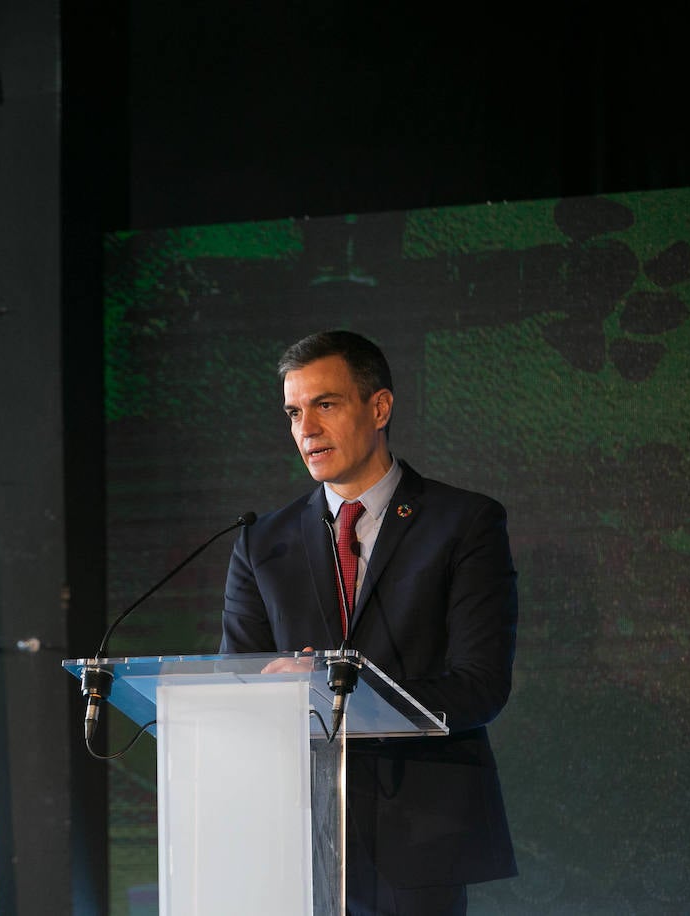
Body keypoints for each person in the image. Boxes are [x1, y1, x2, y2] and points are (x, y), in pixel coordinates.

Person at [221, 330, 518, 915]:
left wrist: (341, 697)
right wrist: (270, 691)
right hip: (296, 834)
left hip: (419, 839)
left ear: (378, 407)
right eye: (294, 412)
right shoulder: (262, 543)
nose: (305, 428)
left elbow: (480, 686)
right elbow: (237, 684)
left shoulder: (463, 523)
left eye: (325, 405)